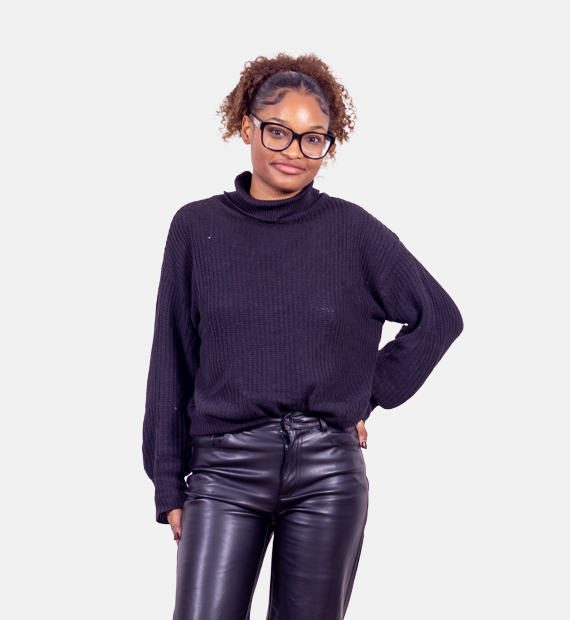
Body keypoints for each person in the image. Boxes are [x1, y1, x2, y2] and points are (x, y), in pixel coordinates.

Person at [142, 52, 464, 620]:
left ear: (327, 147)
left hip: (327, 473)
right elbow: (172, 358)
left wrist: (364, 395)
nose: (294, 151)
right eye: (279, 132)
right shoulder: (196, 227)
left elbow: (438, 317)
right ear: (247, 127)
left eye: (313, 139)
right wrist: (168, 484)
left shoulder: (352, 231)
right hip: (224, 471)